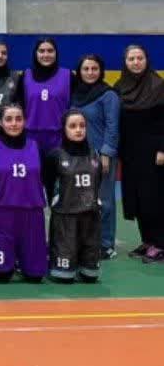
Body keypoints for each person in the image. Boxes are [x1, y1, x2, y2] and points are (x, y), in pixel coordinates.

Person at [0, 104, 48, 283]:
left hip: (32, 214)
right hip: (1, 214)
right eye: (8, 119)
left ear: (25, 121)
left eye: (18, 119)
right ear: (0, 123)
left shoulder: (37, 148)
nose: (14, 123)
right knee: (1, 275)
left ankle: (26, 260)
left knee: (35, 276)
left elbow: (45, 179)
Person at [115, 45, 164, 264]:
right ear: (125, 62)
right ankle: (147, 240)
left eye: (140, 58)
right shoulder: (120, 87)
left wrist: (162, 149)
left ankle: (160, 244)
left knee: (154, 197)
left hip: (153, 152)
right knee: (137, 198)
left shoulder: (158, 86)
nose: (136, 62)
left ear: (147, 60)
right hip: (130, 151)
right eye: (131, 59)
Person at [44, 110, 103, 283]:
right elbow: (48, 184)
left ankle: (86, 265)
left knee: (90, 276)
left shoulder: (95, 155)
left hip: (90, 217)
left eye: (82, 126)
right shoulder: (55, 156)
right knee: (64, 276)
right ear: (64, 129)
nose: (78, 130)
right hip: (65, 218)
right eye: (73, 126)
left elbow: (98, 181)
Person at [71, 54, 120, 260]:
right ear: (79, 71)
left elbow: (113, 126)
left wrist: (107, 153)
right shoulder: (74, 94)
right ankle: (85, 241)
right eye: (86, 69)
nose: (90, 73)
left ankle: (106, 244)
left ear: (101, 71)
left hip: (101, 156)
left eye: (94, 69)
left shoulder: (109, 95)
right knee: (80, 201)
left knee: (104, 201)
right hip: (78, 156)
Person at [17, 38, 70, 201]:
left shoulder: (68, 76)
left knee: (59, 188)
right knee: (31, 185)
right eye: (42, 51)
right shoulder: (25, 76)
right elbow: (19, 107)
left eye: (50, 51)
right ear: (35, 54)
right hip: (31, 138)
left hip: (59, 139)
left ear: (56, 53)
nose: (46, 54)